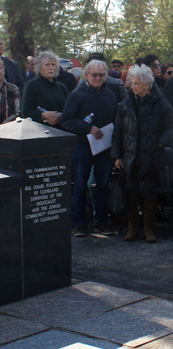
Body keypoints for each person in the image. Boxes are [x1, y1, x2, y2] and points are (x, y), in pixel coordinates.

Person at [111, 65, 173, 243]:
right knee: (131, 191)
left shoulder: (161, 102)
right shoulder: (125, 103)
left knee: (150, 192)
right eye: (132, 83)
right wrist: (117, 155)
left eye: (137, 83)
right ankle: (132, 226)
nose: (133, 86)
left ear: (147, 84)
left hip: (151, 153)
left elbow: (172, 127)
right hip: (130, 154)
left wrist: (161, 142)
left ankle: (149, 228)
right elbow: (118, 131)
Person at [61, 59, 118, 237]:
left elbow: (116, 119)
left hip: (104, 147)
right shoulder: (76, 95)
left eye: (102, 75)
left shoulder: (110, 95)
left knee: (102, 185)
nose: (98, 78)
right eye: (94, 75)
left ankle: (101, 222)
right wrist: (88, 129)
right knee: (80, 185)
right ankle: (79, 224)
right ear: (86, 75)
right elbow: (66, 120)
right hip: (83, 147)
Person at [21, 51, 69, 129]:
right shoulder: (32, 85)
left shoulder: (62, 87)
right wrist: (44, 115)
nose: (51, 67)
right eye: (47, 65)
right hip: (39, 131)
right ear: (40, 68)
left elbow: (69, 111)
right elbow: (25, 112)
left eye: (53, 64)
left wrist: (60, 115)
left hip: (61, 132)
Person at [0, 57, 20, 124]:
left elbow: (18, 112)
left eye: (0, 68)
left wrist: (6, 122)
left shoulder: (13, 89)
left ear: (4, 70)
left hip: (8, 128)